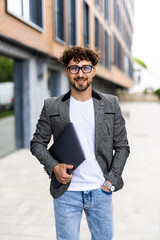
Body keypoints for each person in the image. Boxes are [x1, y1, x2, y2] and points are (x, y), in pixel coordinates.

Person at [30, 46, 130, 240]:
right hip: (66, 193)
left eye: (86, 67)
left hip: (101, 190)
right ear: (67, 72)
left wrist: (111, 181)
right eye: (74, 68)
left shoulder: (110, 104)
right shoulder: (52, 106)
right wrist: (54, 167)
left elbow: (123, 146)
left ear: (93, 70)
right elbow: (37, 143)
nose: (80, 73)